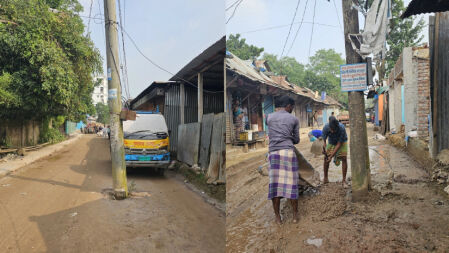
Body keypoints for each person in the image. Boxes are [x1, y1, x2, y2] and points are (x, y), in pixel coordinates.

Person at [266, 95, 300, 225]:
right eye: (292, 107)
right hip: (287, 152)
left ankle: (277, 217)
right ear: (288, 106)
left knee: (274, 185)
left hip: (273, 154)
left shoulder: (268, 117)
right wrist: (288, 137)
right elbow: (297, 140)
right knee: (291, 184)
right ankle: (295, 215)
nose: (292, 109)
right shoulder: (294, 119)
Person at [322, 116, 349, 188]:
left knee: (344, 158)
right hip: (331, 141)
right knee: (326, 158)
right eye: (331, 129)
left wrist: (331, 156)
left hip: (342, 142)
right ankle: (325, 178)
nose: (332, 131)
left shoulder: (342, 128)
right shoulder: (326, 127)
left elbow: (339, 144)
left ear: (337, 126)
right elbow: (324, 140)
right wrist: (324, 147)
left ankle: (344, 181)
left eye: (334, 130)